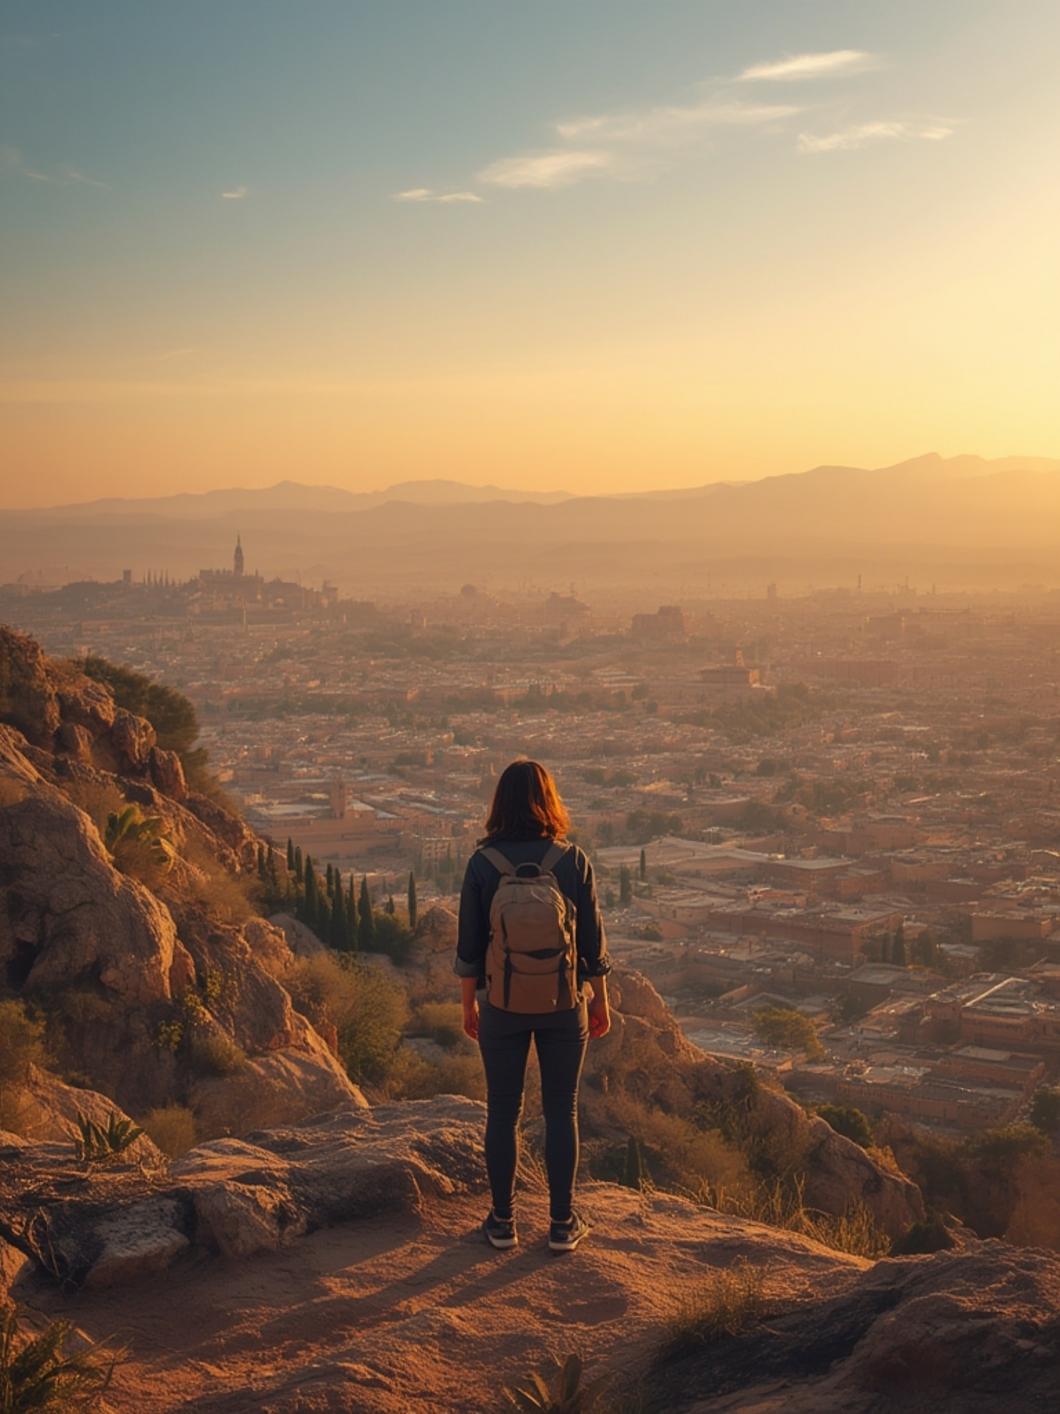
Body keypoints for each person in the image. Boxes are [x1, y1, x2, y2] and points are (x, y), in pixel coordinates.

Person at [455, 758, 612, 1253]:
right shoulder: (572, 861)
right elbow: (593, 946)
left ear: (498, 803)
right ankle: (563, 1225)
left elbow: (469, 948)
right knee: (561, 1110)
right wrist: (599, 1002)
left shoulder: (483, 865)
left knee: (503, 1111)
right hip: (565, 1004)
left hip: (501, 1004)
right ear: (551, 800)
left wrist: (468, 1007)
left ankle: (502, 1222)